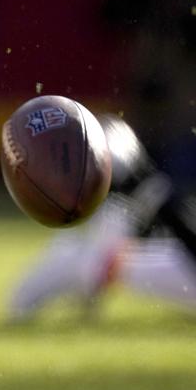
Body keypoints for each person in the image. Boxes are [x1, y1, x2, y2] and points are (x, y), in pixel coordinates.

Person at [10, 114, 196, 320]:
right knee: (23, 300)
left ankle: (80, 266)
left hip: (161, 245)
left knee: (100, 259)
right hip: (159, 241)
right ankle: (82, 268)